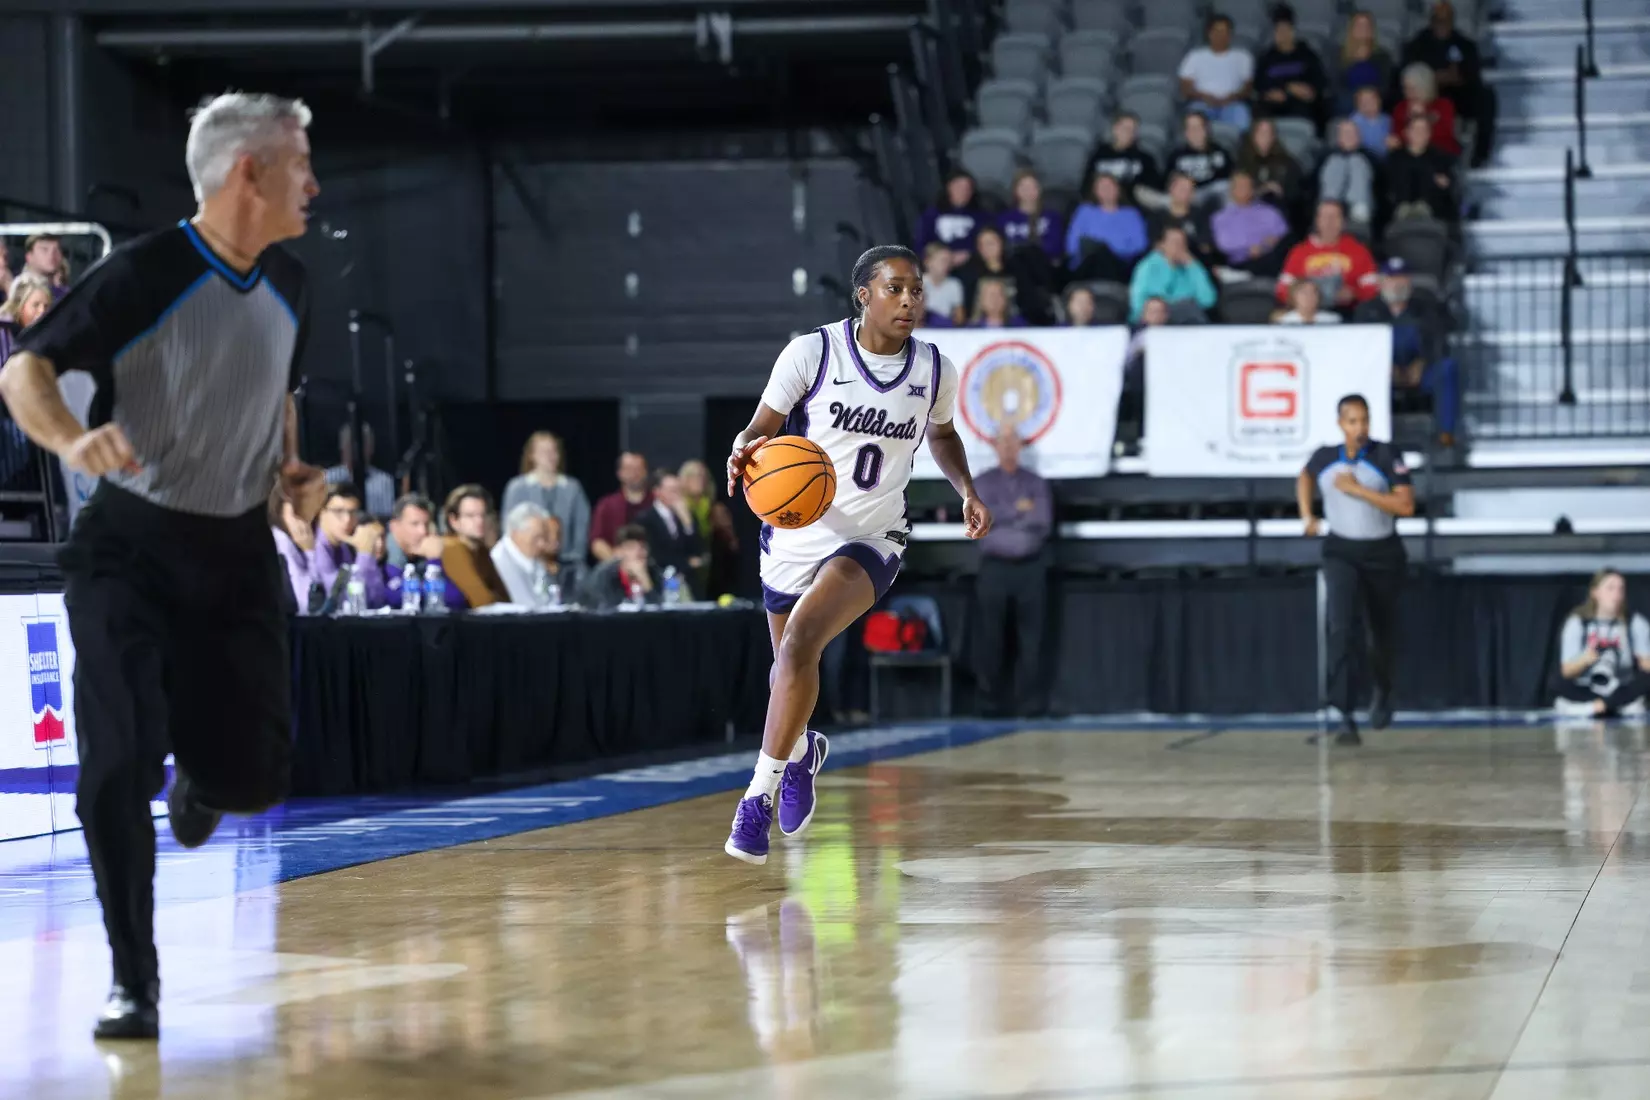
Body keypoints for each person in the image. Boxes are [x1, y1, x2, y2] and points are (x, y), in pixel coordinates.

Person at [0, 92, 325, 1040]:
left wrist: (286, 468)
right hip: (129, 546)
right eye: (301, 161)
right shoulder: (144, 273)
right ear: (248, 173)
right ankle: (132, 980)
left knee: (254, 781)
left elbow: (274, 393)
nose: (315, 180)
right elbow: (24, 370)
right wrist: (72, 438)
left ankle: (206, 780)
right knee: (115, 762)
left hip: (232, 548)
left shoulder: (294, 282)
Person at [723, 244, 990, 864]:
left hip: (873, 534)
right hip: (794, 529)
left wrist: (967, 489)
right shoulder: (811, 353)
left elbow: (944, 435)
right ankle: (799, 754)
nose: (909, 301)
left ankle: (755, 800)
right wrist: (743, 448)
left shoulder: (934, 369)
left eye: (917, 290)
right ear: (864, 295)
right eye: (895, 289)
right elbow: (762, 426)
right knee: (786, 670)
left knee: (799, 646)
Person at [1297, 394, 1414, 745]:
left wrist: (1359, 491)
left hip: (1382, 552)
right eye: (1353, 421)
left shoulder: (1386, 455)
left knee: (1380, 633)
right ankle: (1343, 714)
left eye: (1364, 420)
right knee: (1340, 628)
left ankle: (1383, 689)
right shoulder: (1325, 457)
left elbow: (1405, 506)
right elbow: (1304, 476)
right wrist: (1307, 514)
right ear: (1340, 424)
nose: (1360, 428)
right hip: (1341, 550)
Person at [972, 427, 1053, 718]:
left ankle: (1030, 706)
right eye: (1003, 442)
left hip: (1031, 570)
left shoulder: (1036, 483)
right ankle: (990, 705)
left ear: (1021, 446)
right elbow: (980, 522)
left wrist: (1001, 514)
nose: (1008, 447)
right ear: (994, 446)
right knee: (991, 639)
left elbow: (1042, 521)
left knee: (1032, 641)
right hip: (994, 569)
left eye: (1013, 442)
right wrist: (1019, 511)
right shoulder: (980, 483)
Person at [1354, 258, 1461, 447]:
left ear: (1409, 282)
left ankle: (1446, 434)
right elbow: (1359, 348)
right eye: (1391, 279)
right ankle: (1365, 437)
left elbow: (1439, 342)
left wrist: (1423, 363)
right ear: (1381, 282)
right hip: (1380, 374)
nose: (1397, 284)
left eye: (1402, 279)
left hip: (1420, 372)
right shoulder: (1367, 311)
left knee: (1447, 369)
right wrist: (1385, 367)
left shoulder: (1427, 308)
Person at [1401, 0, 1493, 166]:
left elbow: (1473, 76)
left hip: (1459, 95)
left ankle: (1479, 155)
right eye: (1438, 19)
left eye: (1446, 20)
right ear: (1431, 21)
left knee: (1487, 97)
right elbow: (1408, 73)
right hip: (1428, 96)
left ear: (1452, 21)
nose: (1442, 24)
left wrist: (1457, 77)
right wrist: (1433, 78)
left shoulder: (1465, 45)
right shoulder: (1417, 45)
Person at [1554, 569, 1650, 716]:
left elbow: (1645, 666)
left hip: (1620, 687)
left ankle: (1603, 706)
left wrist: (1643, 661)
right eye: (1610, 588)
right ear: (1595, 592)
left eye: (1621, 589)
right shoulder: (1577, 623)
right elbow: (1566, 671)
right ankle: (1608, 707)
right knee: (1556, 682)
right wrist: (1586, 659)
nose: (1616, 594)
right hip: (1587, 686)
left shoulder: (1635, 623)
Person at [501, 430, 591, 575]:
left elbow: (582, 528)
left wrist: (572, 561)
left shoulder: (573, 488)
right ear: (532, 455)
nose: (550, 456)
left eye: (553, 451)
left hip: (567, 565)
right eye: (544, 452)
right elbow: (509, 528)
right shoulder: (517, 488)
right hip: (527, 564)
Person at [1277, 200, 1379, 311]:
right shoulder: (1299, 252)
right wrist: (1303, 297)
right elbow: (1283, 289)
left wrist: (1354, 293)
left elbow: (1372, 287)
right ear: (1317, 220)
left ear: (1344, 222)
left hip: (1349, 313)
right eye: (1325, 216)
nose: (1329, 222)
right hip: (1309, 315)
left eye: (1335, 217)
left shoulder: (1359, 251)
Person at [310, 483, 389, 609]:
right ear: (321, 513)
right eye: (338, 511)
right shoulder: (315, 548)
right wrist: (365, 555)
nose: (347, 519)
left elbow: (377, 599)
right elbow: (342, 601)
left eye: (352, 512)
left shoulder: (343, 547)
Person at [1065, 174, 1150, 282]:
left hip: (1119, 264)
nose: (1106, 191)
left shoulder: (1131, 215)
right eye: (1102, 188)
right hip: (1087, 264)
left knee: (1102, 254)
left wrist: (1108, 248)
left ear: (1118, 189)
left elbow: (1140, 245)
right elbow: (1072, 244)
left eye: (1110, 187)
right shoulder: (1084, 211)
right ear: (1095, 192)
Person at [1178, 14, 1255, 131]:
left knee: (1242, 117)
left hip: (1232, 104)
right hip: (1202, 103)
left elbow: (1248, 87)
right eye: (1217, 31)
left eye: (1225, 31)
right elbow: (1185, 88)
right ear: (1209, 33)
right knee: (1194, 121)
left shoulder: (1243, 56)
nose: (1221, 35)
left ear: (1231, 35)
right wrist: (1204, 96)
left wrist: (1232, 97)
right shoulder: (1195, 56)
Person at [1253, 3, 1327, 125]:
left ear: (1293, 31)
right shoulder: (1266, 58)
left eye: (1286, 29)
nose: (1283, 34)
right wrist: (1277, 91)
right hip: (1273, 105)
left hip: (1302, 104)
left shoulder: (1307, 55)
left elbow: (1320, 82)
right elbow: (1259, 86)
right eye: (1279, 30)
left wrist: (1310, 92)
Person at [439, 484, 509, 608]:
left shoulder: (481, 550)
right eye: (470, 516)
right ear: (453, 520)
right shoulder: (452, 549)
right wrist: (494, 597)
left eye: (483, 514)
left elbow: (505, 599)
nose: (479, 521)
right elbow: (482, 601)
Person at [1129, 225, 1218, 323]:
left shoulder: (1192, 267)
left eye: (1182, 243)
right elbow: (1137, 303)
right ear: (1161, 245)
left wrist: (1193, 266)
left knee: (1188, 307)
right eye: (1174, 242)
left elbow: (1208, 300)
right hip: (1153, 320)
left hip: (1186, 320)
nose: (1179, 247)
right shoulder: (1147, 267)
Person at [1211, 170, 1291, 275]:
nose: (1243, 190)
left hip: (1272, 260)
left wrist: (1266, 246)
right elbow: (1224, 244)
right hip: (1241, 264)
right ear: (1231, 191)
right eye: (1239, 186)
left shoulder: (1269, 212)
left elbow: (1284, 235)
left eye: (1246, 186)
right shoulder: (1221, 218)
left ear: (1252, 189)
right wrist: (1251, 248)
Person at [678, 458, 737, 598]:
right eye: (694, 475)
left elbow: (730, 543)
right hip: (690, 571)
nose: (700, 480)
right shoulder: (680, 509)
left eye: (702, 476)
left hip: (715, 571)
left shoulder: (714, 508)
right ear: (684, 480)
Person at [638, 469, 704, 588]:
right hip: (659, 580)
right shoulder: (645, 519)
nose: (676, 495)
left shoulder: (688, 516)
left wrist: (687, 523)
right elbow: (655, 554)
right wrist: (686, 563)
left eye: (678, 490)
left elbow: (698, 552)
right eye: (671, 490)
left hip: (687, 581)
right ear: (657, 491)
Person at [1085, 111, 1165, 208]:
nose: (1129, 133)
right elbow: (1087, 184)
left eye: (1133, 130)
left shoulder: (1145, 159)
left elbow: (1154, 189)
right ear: (1115, 129)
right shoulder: (1099, 155)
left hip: (1135, 207)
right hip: (1101, 206)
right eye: (1125, 128)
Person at [1386, 115, 1456, 221]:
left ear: (1429, 133)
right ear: (1407, 132)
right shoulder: (1394, 158)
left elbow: (1448, 184)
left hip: (1431, 209)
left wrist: (1443, 182)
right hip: (1399, 209)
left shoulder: (1440, 157)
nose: (1419, 133)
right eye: (1416, 129)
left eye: (1423, 130)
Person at [578, 523, 663, 609]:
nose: (639, 553)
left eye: (643, 547)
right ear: (619, 552)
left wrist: (646, 582)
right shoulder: (603, 576)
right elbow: (603, 610)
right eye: (631, 548)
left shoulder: (654, 573)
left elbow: (661, 613)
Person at [589, 450, 653, 561]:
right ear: (620, 473)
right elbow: (597, 542)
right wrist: (616, 562)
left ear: (645, 472)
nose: (634, 473)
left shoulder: (657, 503)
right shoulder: (607, 505)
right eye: (629, 469)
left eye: (638, 468)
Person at [1315, 119, 1380, 229]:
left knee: (1357, 161)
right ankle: (1330, 208)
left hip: (1362, 205)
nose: (1349, 137)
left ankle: (1358, 208)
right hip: (1331, 199)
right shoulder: (1325, 156)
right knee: (1336, 161)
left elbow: (1379, 184)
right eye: (1345, 133)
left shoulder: (1371, 157)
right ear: (1338, 137)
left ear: (1359, 136)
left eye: (1352, 133)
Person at [1148, 172, 1219, 268]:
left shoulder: (1200, 214)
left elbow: (1205, 246)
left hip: (1195, 263)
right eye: (1182, 189)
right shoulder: (1157, 215)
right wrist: (1176, 254)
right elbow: (1155, 244)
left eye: (1189, 190)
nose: (1186, 193)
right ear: (1171, 189)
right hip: (1165, 263)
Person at [1165, 111, 1234, 209]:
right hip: (1187, 196)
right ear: (1185, 133)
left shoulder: (1220, 153)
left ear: (1206, 129)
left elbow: (1227, 182)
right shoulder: (1176, 156)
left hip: (1214, 197)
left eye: (1198, 127)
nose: (1194, 132)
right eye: (1190, 128)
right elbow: (1169, 182)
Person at [324, 422, 395, 517]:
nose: (355, 452)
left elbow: (387, 517)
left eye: (362, 446)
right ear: (342, 447)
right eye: (349, 445)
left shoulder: (384, 481)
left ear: (371, 448)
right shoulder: (328, 478)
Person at [916, 170, 984, 268]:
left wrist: (969, 253)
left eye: (967, 188)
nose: (963, 192)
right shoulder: (931, 215)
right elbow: (921, 244)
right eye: (959, 187)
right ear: (949, 187)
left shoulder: (982, 216)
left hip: (972, 265)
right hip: (937, 267)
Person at [1391, 63, 1459, 158]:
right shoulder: (1401, 107)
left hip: (1441, 154)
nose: (1408, 93)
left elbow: (1446, 134)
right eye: (1406, 88)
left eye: (1413, 89)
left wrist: (1421, 117)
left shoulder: (1443, 105)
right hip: (1411, 157)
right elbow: (1397, 136)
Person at [998, 170, 1065, 267]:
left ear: (1039, 190)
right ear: (1015, 190)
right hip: (1012, 267)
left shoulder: (1052, 218)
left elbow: (1056, 248)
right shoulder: (1003, 219)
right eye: (1024, 187)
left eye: (1033, 187)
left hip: (1043, 267)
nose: (1029, 191)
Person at [490, 501, 552, 606]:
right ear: (516, 533)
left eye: (544, 537)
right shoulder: (497, 563)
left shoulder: (536, 560)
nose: (542, 544)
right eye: (536, 538)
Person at [1236, 117, 1303, 214]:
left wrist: (1280, 191)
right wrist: (1263, 189)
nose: (1265, 138)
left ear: (1274, 137)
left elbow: (1296, 195)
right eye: (1261, 134)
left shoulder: (1288, 163)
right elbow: (1237, 193)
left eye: (1268, 134)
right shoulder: (1243, 163)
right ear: (1253, 136)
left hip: (1281, 213)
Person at [1337, 11, 1395, 116]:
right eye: (1359, 26)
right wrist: (1359, 97)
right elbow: (1336, 85)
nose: (1363, 29)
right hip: (1348, 101)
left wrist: (1370, 97)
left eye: (1367, 26)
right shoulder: (1339, 56)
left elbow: (1386, 85)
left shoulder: (1383, 56)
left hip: (1375, 101)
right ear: (1351, 29)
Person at [268, 486, 315, 613]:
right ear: (279, 511)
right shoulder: (280, 541)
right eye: (296, 512)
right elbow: (305, 603)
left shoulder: (294, 541)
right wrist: (310, 552)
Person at [920, 242, 966, 327]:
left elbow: (960, 318)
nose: (947, 265)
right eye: (943, 260)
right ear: (928, 261)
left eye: (949, 261)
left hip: (945, 329)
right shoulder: (918, 282)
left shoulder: (954, 284)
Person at [21, 234, 68, 299]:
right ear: (29, 257)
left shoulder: (66, 293)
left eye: (57, 249)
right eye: (44, 249)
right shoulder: (19, 289)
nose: (52, 254)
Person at [1351, 87, 1392, 159]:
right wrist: (1384, 145)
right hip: (1364, 160)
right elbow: (1360, 146)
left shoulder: (1387, 119)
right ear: (1358, 105)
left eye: (1372, 99)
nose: (1369, 104)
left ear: (1379, 101)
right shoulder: (1354, 122)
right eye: (1365, 101)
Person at [1277, 279, 1341, 324]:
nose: (1309, 297)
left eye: (1313, 292)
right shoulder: (1284, 321)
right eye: (1304, 293)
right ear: (1293, 297)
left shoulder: (1332, 320)